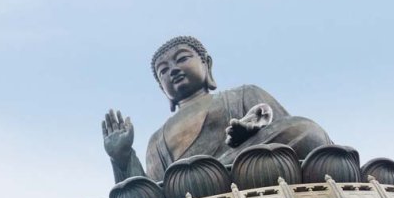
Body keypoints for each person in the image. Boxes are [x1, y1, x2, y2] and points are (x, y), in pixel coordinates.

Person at [102, 36, 331, 183]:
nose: (172, 70)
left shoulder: (241, 94)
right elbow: (151, 195)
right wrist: (122, 157)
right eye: (163, 70)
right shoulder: (157, 140)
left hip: (249, 164)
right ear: (162, 89)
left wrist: (253, 130)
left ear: (206, 64)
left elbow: (283, 128)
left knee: (306, 130)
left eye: (181, 59)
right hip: (190, 187)